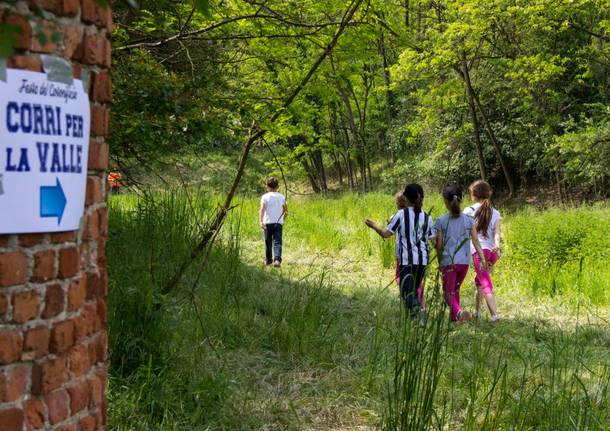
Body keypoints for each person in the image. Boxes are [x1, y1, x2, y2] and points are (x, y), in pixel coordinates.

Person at [365, 183, 434, 316]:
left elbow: (386, 233)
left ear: (406, 198)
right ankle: (415, 318)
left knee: (406, 291)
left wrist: (373, 225)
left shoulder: (401, 214)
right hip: (423, 261)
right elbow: (434, 239)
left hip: (407, 260)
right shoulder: (427, 217)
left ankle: (420, 315)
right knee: (414, 290)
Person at [434, 184, 487, 322]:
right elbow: (476, 241)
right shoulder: (469, 220)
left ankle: (459, 312)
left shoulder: (441, 221)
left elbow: (438, 246)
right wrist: (482, 259)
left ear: (445, 201)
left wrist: (440, 261)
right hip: (464, 263)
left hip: (448, 261)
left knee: (447, 293)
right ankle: (455, 319)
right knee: (455, 290)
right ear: (461, 200)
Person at [463, 180, 502, 322]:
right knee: (479, 280)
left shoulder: (468, 211)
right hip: (493, 252)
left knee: (485, 282)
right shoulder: (495, 212)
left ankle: (494, 316)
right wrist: (497, 245)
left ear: (474, 195)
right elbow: (497, 233)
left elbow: (463, 233)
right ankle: (477, 312)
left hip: (480, 252)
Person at [393, 192, 425, 310]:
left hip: (403, 256)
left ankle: (414, 306)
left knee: (402, 279)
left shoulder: (398, 215)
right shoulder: (419, 215)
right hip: (419, 255)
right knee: (417, 282)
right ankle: (422, 307)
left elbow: (388, 231)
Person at [259, 177, 288, 267]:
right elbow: (286, 211)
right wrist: (283, 219)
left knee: (268, 241)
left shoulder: (265, 197)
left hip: (267, 222)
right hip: (278, 222)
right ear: (278, 186)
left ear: (267, 186)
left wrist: (260, 221)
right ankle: (277, 260)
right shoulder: (282, 197)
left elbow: (262, 209)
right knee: (277, 241)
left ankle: (268, 261)